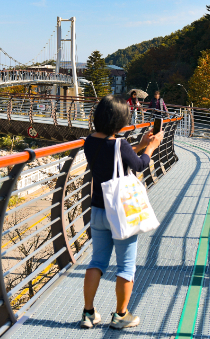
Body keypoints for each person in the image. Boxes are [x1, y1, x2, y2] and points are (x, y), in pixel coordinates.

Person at [81, 95, 163, 329]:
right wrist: (152, 146)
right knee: (126, 266)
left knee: (97, 261)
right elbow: (138, 165)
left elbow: (113, 155)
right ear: (119, 120)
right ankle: (120, 315)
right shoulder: (120, 144)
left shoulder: (89, 142)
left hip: (97, 210)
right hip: (121, 213)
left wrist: (139, 145)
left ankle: (88, 314)